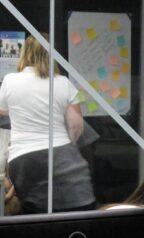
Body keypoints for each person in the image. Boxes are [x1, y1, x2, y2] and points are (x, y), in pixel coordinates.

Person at [0, 33, 95, 214]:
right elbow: (77, 126)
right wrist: (67, 146)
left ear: (25, 53)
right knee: (78, 207)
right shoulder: (64, 83)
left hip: (22, 157)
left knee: (35, 212)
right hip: (60, 153)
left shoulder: (10, 81)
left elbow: (2, 110)